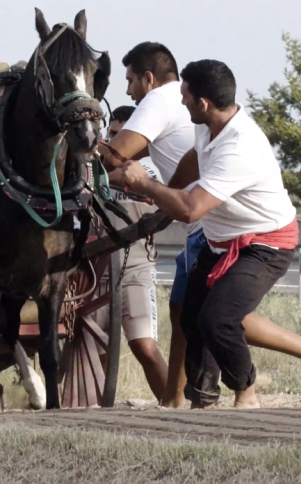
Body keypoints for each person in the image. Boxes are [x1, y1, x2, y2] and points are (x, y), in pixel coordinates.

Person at [121, 60, 301, 409]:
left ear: (203, 103)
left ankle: (247, 394)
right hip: (219, 240)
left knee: (219, 320)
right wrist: (161, 192)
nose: (181, 103)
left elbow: (191, 209)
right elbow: (192, 162)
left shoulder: (240, 147)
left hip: (265, 244)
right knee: (191, 317)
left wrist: (144, 182)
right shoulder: (207, 126)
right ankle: (204, 401)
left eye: (185, 97)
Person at [99, 42, 199, 408]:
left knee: (218, 315)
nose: (128, 91)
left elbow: (114, 155)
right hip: (199, 226)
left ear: (148, 78)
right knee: (183, 310)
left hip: (205, 228)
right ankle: (177, 401)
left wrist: (76, 146)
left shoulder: (158, 100)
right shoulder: (182, 107)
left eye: (130, 81)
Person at [102, 106, 173, 405]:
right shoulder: (95, 169)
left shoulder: (152, 171)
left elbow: (122, 178)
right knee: (90, 350)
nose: (113, 144)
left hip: (136, 267)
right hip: (94, 272)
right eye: (110, 136)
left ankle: (174, 406)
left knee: (144, 346)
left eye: (121, 137)